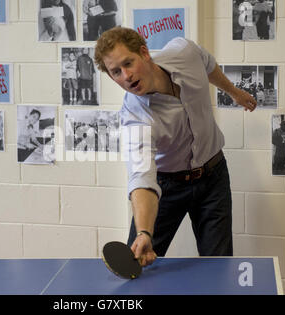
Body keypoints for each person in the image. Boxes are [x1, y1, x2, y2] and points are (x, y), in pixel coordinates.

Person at [94, 27, 257, 267]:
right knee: (136, 263)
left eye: (128, 63)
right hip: (167, 186)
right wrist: (144, 233)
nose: (126, 76)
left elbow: (207, 64)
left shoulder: (184, 52)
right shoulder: (135, 117)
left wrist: (233, 92)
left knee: (218, 265)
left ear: (144, 53)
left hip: (213, 177)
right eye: (116, 72)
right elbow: (141, 178)